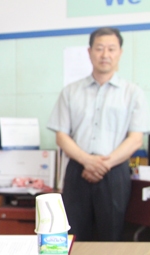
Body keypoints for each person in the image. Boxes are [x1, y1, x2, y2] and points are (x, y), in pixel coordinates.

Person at [47, 27, 150, 241]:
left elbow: (135, 139)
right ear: (89, 52)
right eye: (99, 48)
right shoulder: (70, 91)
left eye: (111, 49)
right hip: (78, 169)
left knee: (112, 236)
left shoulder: (133, 93)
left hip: (115, 171)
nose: (105, 54)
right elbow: (61, 136)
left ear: (120, 52)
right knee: (73, 234)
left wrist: (104, 164)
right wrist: (87, 161)